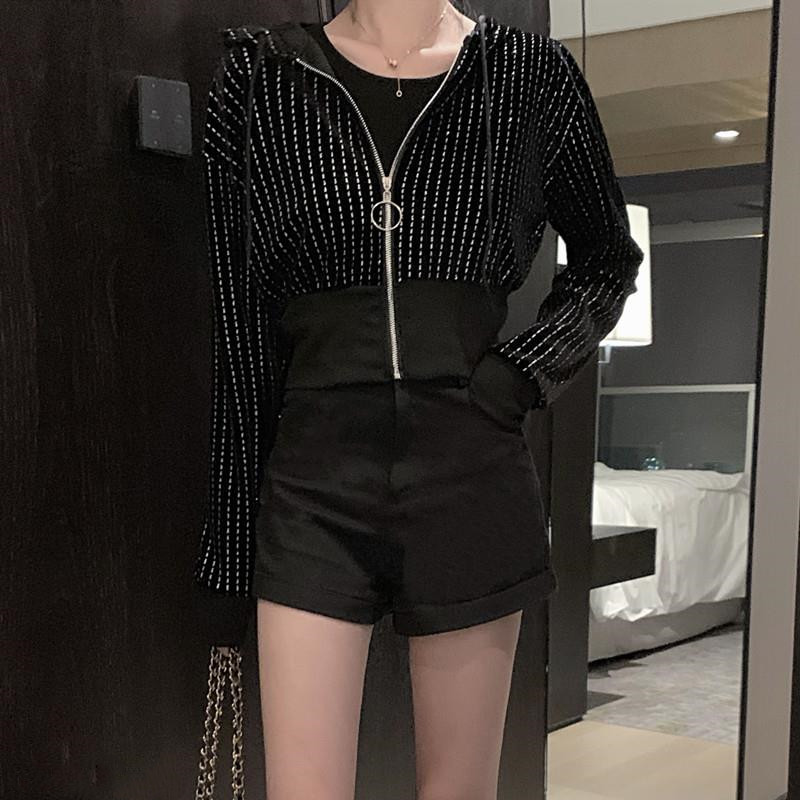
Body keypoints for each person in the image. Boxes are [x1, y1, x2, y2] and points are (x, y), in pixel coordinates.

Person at [196, 1, 645, 797]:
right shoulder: (260, 77)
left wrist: (518, 376)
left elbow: (607, 259)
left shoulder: (529, 75)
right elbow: (238, 324)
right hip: (314, 482)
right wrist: (232, 545)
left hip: (471, 470)